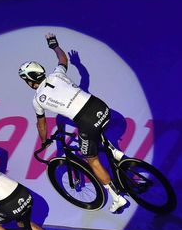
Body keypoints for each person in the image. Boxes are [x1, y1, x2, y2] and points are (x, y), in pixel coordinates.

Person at [18, 33, 128, 213]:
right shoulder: (57, 74)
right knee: (96, 130)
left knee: (91, 159)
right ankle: (114, 152)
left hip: (87, 121)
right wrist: (54, 45)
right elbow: (63, 59)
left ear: (29, 81)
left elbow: (42, 124)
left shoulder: (37, 100)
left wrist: (44, 141)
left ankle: (117, 198)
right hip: (101, 107)